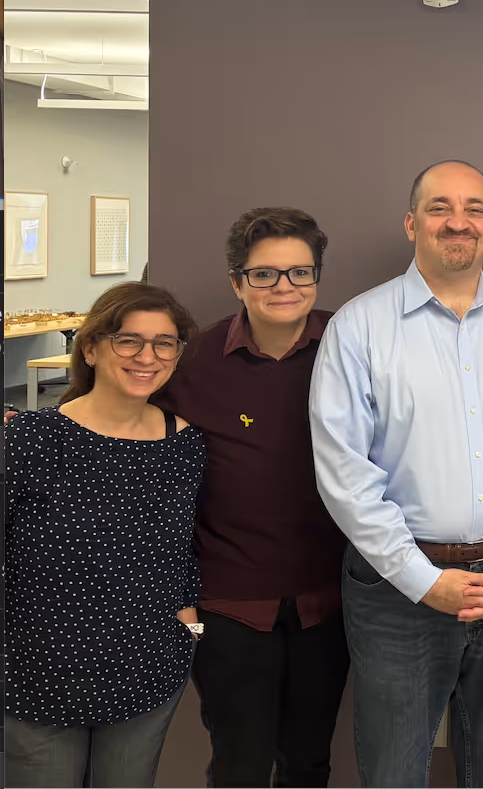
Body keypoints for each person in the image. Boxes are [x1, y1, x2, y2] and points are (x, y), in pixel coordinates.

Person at [310, 160, 483, 788]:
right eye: (439, 208)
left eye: (473, 209)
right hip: (396, 590)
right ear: (412, 223)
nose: (456, 222)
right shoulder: (359, 326)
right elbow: (343, 473)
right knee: (394, 771)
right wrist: (420, 579)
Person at [153, 207, 349, 787]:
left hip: (330, 598)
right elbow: (154, 476)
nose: (283, 287)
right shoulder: (191, 363)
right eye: (264, 274)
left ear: (317, 278)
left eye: (299, 273)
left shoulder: (354, 345)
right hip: (229, 602)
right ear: (237, 282)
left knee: (309, 760)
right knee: (240, 763)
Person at [5, 282, 204, 787]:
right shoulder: (28, 439)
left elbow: (183, 546)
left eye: (164, 343)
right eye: (128, 340)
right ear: (90, 348)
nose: (147, 356)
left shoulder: (182, 444)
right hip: (40, 673)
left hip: (146, 665)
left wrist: (187, 619)